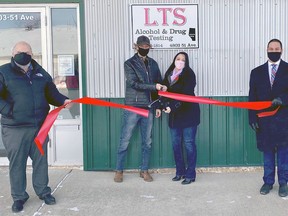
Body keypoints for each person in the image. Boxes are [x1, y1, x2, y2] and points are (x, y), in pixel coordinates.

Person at [0, 41, 73, 213]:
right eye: (20, 52)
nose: (23, 54)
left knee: (40, 161)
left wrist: (63, 101)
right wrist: (9, 110)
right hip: (15, 128)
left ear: (32, 54)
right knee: (17, 164)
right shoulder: (3, 72)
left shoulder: (41, 73)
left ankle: (43, 192)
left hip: (40, 127)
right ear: (13, 54)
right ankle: (19, 197)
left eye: (27, 52)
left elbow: (51, 93)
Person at [114, 35, 167, 183]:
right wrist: (154, 86)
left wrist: (157, 105)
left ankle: (144, 170)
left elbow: (158, 85)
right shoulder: (129, 64)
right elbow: (134, 83)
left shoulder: (154, 64)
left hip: (149, 107)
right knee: (125, 139)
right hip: (133, 107)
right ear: (136, 47)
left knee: (147, 141)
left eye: (147, 47)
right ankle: (119, 170)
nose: (144, 49)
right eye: (142, 47)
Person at [249, 38, 288, 197]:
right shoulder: (256, 72)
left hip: (284, 120)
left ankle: (284, 182)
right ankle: (268, 182)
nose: (273, 51)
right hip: (264, 120)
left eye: (276, 48)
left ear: (282, 50)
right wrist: (252, 117)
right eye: (271, 48)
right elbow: (252, 96)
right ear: (266, 50)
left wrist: (283, 99)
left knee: (284, 154)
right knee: (267, 153)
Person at [161, 52, 200, 185]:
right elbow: (163, 93)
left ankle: (190, 174)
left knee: (189, 144)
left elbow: (186, 94)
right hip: (174, 117)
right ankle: (180, 172)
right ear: (174, 60)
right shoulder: (168, 74)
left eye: (183, 60)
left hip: (188, 114)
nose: (180, 61)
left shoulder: (189, 74)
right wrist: (165, 105)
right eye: (178, 59)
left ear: (186, 62)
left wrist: (172, 106)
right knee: (176, 145)